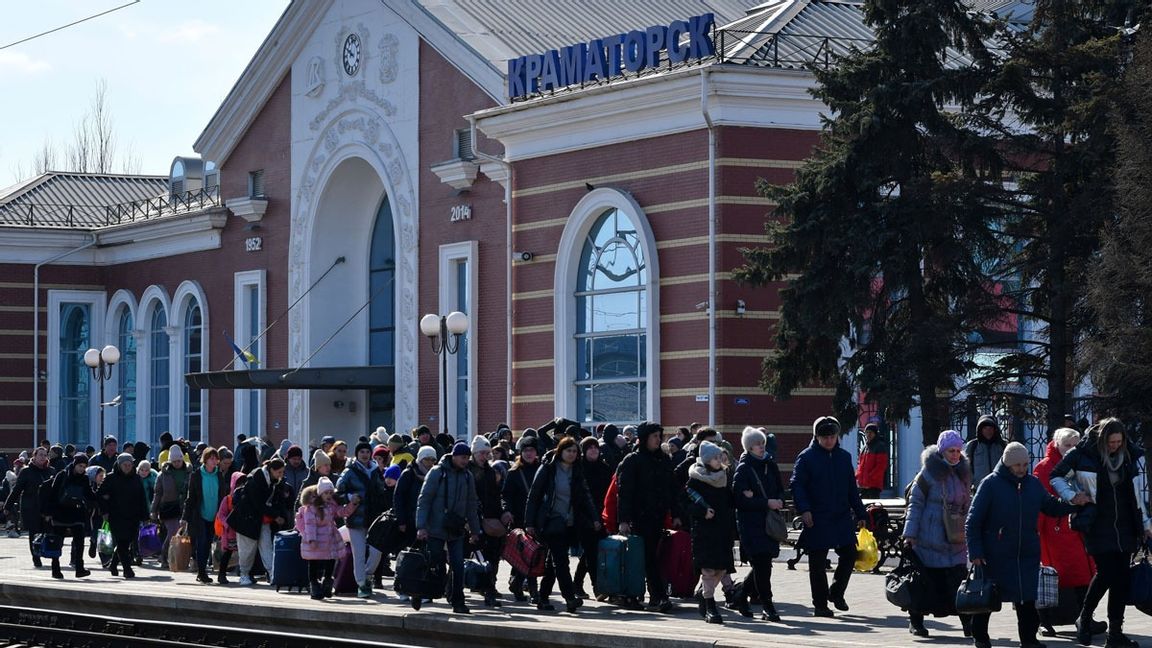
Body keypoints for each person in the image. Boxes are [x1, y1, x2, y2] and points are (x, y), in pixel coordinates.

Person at [967, 442, 1078, 648]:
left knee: (1027, 598)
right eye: (1017, 465)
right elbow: (973, 522)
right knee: (988, 596)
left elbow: (1050, 506)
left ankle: (1029, 640)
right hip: (996, 552)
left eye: (1025, 464)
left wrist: (1073, 503)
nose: (1022, 469)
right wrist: (976, 551)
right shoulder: (990, 484)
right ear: (1007, 464)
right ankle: (980, 637)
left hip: (1026, 551)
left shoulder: (1033, 484)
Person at [1050, 419, 1144, 648]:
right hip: (1096, 521)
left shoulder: (1132, 454)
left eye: (1119, 442)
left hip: (1126, 523)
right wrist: (1073, 496)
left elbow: (1142, 489)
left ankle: (1115, 633)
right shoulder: (1083, 453)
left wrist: (1146, 522)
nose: (1115, 446)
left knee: (1121, 578)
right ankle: (1084, 617)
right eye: (1111, 442)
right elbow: (1056, 475)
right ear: (1102, 439)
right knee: (1106, 573)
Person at [790, 416, 867, 617]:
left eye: (832, 436)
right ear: (816, 437)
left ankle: (837, 592)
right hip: (816, 517)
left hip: (841, 516)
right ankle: (820, 604)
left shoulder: (844, 457)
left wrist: (861, 512)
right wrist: (804, 510)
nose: (829, 440)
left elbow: (852, 488)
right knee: (817, 562)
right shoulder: (806, 458)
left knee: (849, 555)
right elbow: (797, 486)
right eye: (824, 437)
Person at [901, 430, 973, 638]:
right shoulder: (926, 474)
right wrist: (910, 534)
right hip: (929, 538)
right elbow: (914, 505)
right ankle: (916, 621)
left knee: (958, 582)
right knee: (925, 582)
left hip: (955, 539)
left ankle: (968, 623)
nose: (955, 455)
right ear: (942, 451)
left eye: (958, 450)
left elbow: (967, 504)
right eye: (951, 450)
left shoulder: (963, 473)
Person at [1034, 428, 1104, 638]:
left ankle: (1085, 618)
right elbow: (1040, 502)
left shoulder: (1080, 462)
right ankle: (1044, 621)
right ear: (1056, 444)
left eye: (1074, 444)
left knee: (1083, 574)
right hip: (1054, 532)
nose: (1070, 449)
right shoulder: (1045, 467)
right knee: (1050, 578)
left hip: (1076, 528)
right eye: (1067, 444)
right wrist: (1036, 531)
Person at [525, 436, 599, 613]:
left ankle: (542, 598)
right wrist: (529, 522)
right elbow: (534, 496)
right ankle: (570, 597)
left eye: (574, 451)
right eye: (568, 450)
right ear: (560, 451)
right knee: (561, 560)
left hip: (570, 523)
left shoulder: (577, 470)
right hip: (551, 521)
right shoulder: (548, 468)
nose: (572, 454)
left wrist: (595, 518)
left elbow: (586, 496)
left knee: (553, 563)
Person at [616, 421, 679, 612]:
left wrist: (675, 514)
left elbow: (673, 490)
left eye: (659, 436)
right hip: (639, 517)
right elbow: (624, 492)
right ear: (644, 439)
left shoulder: (664, 460)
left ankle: (654, 595)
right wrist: (624, 520)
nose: (658, 440)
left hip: (658, 516)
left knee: (652, 556)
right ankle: (656, 595)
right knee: (647, 557)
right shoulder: (632, 460)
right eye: (654, 436)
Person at [416, 442, 481, 614]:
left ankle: (458, 601)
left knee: (458, 565)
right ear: (454, 456)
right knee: (435, 562)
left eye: (467, 458)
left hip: (456, 528)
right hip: (435, 527)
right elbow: (424, 500)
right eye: (462, 457)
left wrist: (475, 530)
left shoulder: (467, 476)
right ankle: (422, 592)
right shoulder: (438, 472)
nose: (465, 461)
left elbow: (471, 504)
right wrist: (421, 526)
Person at [732, 426, 785, 621]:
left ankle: (740, 594)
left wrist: (779, 500)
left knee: (765, 565)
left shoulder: (770, 465)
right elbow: (738, 500)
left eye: (762, 443)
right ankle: (767, 605)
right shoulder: (744, 469)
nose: (761, 447)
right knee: (762, 565)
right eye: (756, 444)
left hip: (769, 523)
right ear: (748, 447)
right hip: (752, 525)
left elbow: (780, 489)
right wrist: (765, 502)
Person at [684, 441, 736, 624]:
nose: (718, 460)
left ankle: (703, 594)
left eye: (719, 457)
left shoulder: (723, 476)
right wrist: (702, 512)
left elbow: (729, 501)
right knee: (708, 569)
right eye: (714, 457)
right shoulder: (695, 479)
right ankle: (710, 604)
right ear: (706, 460)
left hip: (722, 530)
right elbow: (685, 504)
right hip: (704, 531)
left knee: (722, 568)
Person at [336, 441, 387, 598]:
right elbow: (338, 492)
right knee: (358, 553)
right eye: (362, 452)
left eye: (367, 452)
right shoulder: (349, 471)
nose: (365, 454)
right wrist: (350, 497)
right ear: (357, 454)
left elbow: (382, 490)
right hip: (356, 519)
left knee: (376, 551)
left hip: (374, 518)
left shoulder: (375, 470)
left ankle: (367, 575)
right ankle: (362, 585)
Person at [467, 435, 513, 608]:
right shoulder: (468, 471)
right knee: (464, 558)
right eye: (481, 453)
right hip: (472, 520)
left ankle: (489, 590)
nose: (485, 456)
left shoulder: (490, 471)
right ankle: (454, 589)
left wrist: (503, 512)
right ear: (474, 453)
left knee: (491, 557)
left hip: (490, 519)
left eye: (487, 453)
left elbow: (496, 496)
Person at [296, 477, 359, 600]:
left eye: (331, 492)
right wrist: (312, 540)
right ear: (320, 493)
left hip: (329, 539)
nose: (329, 495)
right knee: (313, 563)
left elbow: (342, 512)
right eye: (326, 493)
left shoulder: (331, 505)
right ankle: (314, 586)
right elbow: (310, 525)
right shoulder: (311, 507)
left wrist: (353, 504)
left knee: (330, 562)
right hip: (316, 539)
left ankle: (327, 584)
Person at [232, 458, 288, 585]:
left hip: (262, 519)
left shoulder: (273, 481)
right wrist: (275, 515)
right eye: (279, 472)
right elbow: (257, 503)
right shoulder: (256, 480)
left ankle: (273, 574)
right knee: (247, 549)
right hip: (247, 520)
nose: (281, 475)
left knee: (267, 547)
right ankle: (244, 574)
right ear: (272, 470)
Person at [392, 445, 437, 601]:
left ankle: (422, 590)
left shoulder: (435, 475)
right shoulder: (408, 474)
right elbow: (398, 498)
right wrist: (401, 520)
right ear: (420, 459)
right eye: (427, 459)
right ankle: (403, 588)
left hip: (428, 522)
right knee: (408, 556)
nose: (430, 462)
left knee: (425, 557)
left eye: (433, 459)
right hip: (410, 521)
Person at [43, 453, 96, 579]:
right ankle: (55, 569)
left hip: (77, 513)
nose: (82, 469)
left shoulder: (84, 478)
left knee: (79, 542)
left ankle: (79, 568)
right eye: (80, 466)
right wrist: (49, 513)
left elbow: (89, 494)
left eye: (84, 466)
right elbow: (53, 494)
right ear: (74, 464)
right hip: (60, 513)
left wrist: (100, 497)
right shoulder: (62, 475)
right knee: (57, 542)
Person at [503, 434, 543, 602]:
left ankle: (517, 583)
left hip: (538, 518)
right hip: (519, 519)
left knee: (532, 554)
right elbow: (505, 495)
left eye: (531, 450)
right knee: (528, 554)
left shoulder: (542, 469)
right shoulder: (514, 473)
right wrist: (507, 511)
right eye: (525, 450)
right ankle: (533, 591)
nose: (528, 453)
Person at [96, 453, 148, 579]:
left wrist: (145, 515)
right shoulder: (111, 478)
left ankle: (113, 564)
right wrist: (105, 511)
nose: (127, 467)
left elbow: (142, 497)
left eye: (129, 465)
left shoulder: (136, 478)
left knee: (126, 543)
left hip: (133, 515)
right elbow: (100, 495)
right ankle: (127, 569)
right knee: (121, 541)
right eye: (125, 465)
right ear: (119, 465)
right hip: (116, 515)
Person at [181, 447, 226, 584]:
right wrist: (185, 517)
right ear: (205, 460)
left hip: (215, 516)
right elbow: (191, 498)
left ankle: (202, 571)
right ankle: (201, 572)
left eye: (216, 458)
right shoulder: (196, 475)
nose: (214, 461)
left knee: (208, 544)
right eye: (211, 458)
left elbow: (222, 495)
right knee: (202, 543)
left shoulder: (219, 475)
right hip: (200, 515)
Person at [4, 446, 55, 567]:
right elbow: (17, 490)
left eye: (45, 455)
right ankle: (36, 557)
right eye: (40, 455)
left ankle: (49, 552)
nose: (43, 457)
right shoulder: (26, 471)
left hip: (47, 507)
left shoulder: (51, 471)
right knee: (34, 532)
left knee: (50, 532)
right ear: (34, 456)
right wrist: (8, 506)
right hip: (31, 507)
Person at [573, 436, 611, 596]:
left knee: (593, 551)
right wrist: (589, 518)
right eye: (590, 447)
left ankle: (577, 582)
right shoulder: (578, 469)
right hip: (584, 516)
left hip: (602, 515)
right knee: (591, 551)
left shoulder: (605, 468)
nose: (594, 450)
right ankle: (597, 587)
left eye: (596, 447)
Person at [151, 444, 191, 569]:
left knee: (185, 534)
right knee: (172, 532)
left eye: (179, 460)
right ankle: (164, 556)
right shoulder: (163, 474)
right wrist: (153, 510)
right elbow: (157, 493)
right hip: (168, 507)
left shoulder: (189, 472)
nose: (177, 463)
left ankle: (180, 557)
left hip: (185, 506)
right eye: (174, 461)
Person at [214, 472, 245, 584]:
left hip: (240, 530)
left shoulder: (244, 497)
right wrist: (227, 524)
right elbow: (221, 514)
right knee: (227, 553)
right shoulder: (227, 499)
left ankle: (245, 573)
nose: (241, 485)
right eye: (238, 483)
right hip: (229, 531)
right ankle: (221, 574)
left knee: (245, 553)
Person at [964, 415, 1006, 487]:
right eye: (985, 428)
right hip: (979, 488)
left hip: (1000, 488)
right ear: (980, 430)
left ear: (995, 429)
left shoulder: (1002, 445)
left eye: (990, 428)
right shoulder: (972, 446)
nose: (988, 431)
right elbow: (966, 468)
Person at [855, 422, 888, 498]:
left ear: (875, 434)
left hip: (873, 486)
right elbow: (860, 465)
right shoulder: (864, 447)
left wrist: (868, 479)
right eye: (866, 432)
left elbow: (881, 467)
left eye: (871, 432)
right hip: (863, 486)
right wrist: (857, 477)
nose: (868, 435)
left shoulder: (880, 446)